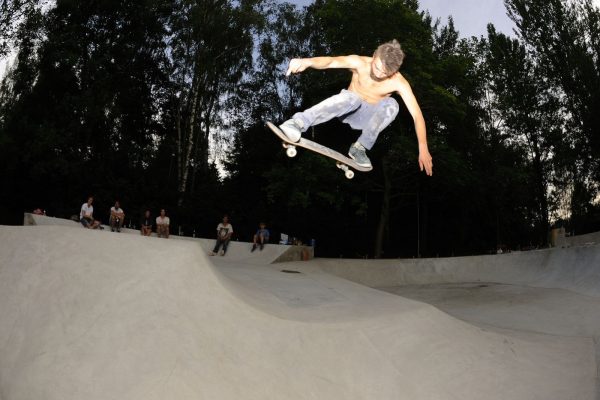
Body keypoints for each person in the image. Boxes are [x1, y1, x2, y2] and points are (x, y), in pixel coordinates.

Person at [279, 39, 433, 174]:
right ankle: (298, 123)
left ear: (393, 72)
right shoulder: (359, 63)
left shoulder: (399, 82)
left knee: (393, 104)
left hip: (368, 119)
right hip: (347, 108)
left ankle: (359, 148)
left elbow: (417, 115)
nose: (378, 74)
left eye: (385, 73)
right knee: (353, 98)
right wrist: (307, 62)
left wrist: (423, 147)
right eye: (377, 67)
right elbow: (331, 61)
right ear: (374, 56)